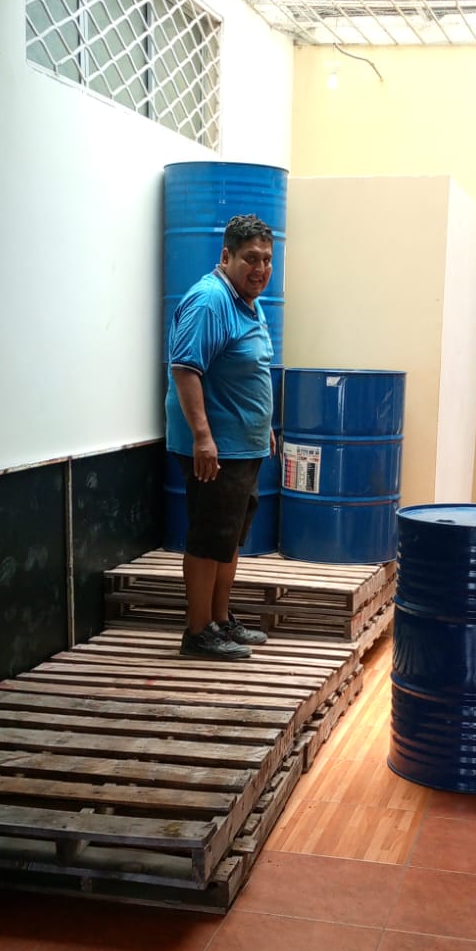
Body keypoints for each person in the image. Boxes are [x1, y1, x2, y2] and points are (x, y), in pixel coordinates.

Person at [166, 213, 275, 661]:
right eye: (250, 258)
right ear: (226, 256)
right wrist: (203, 438)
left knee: (228, 539)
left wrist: (262, 426)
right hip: (217, 449)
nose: (260, 268)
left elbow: (246, 371)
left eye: (267, 259)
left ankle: (219, 619)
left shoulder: (247, 301)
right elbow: (185, 369)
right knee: (209, 538)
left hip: (243, 445)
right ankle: (197, 632)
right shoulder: (211, 300)